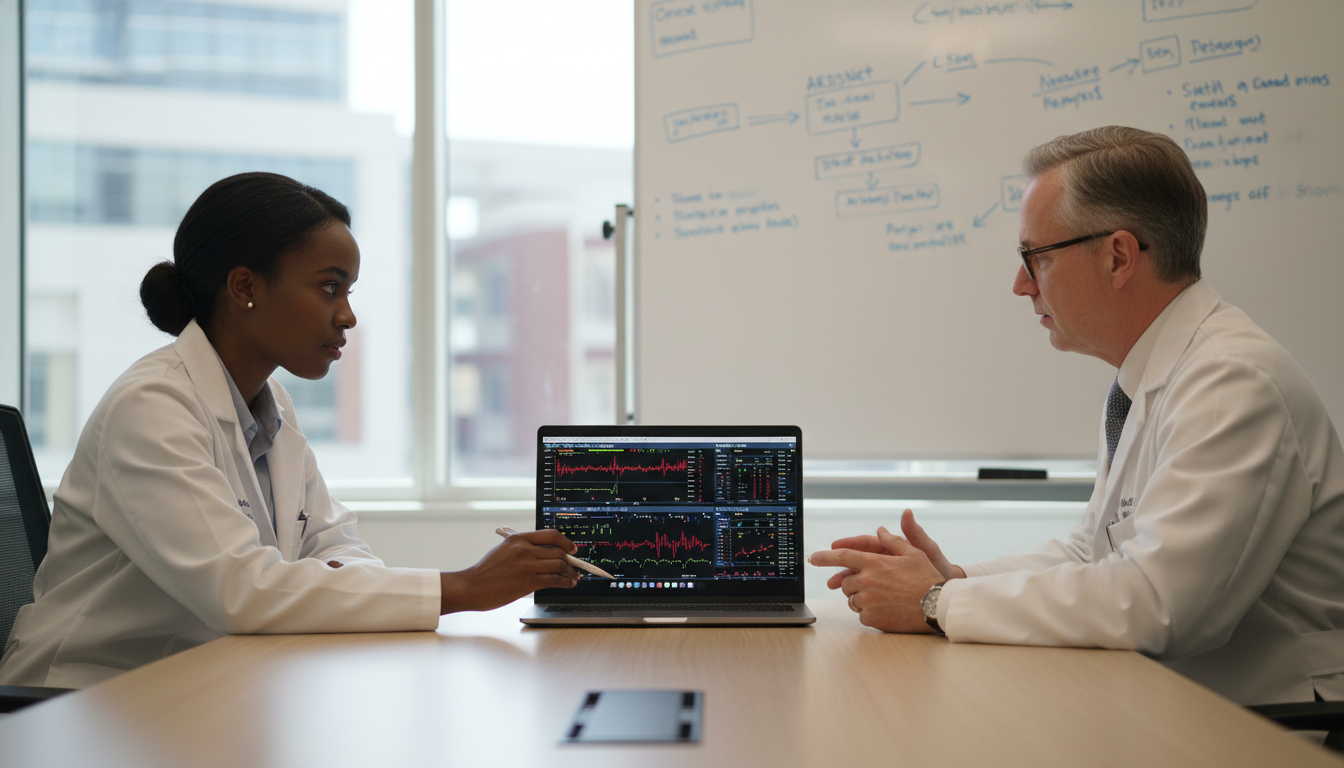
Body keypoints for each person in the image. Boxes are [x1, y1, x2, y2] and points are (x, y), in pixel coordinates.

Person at [809, 126, 1344, 706]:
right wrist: (956, 581)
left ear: (1117, 256)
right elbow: (1092, 554)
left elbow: (1160, 606)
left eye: (1034, 257)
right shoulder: (1149, 378)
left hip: (1270, 726)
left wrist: (934, 602)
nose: (1020, 285)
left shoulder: (1233, 382)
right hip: (1183, 709)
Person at [0, 172, 579, 689]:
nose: (348, 314)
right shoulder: (152, 406)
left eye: (349, 291)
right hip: (82, 697)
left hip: (203, 682)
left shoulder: (269, 401)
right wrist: (463, 588)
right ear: (246, 287)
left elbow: (334, 544)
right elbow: (242, 591)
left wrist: (328, 587)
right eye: (330, 287)